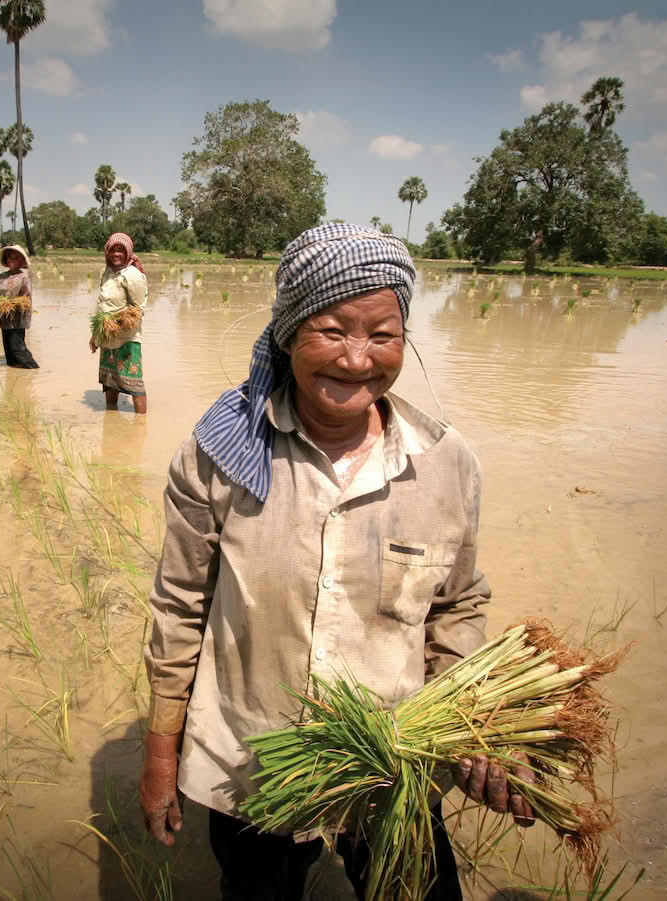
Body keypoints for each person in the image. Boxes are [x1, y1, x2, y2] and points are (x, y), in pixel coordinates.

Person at [139, 224, 533, 901]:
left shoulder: (445, 463)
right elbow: (179, 606)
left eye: (382, 336)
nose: (357, 360)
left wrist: (474, 727)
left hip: (393, 763)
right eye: (331, 331)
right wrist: (160, 753)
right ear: (289, 332)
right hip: (252, 763)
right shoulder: (219, 456)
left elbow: (458, 605)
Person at [90, 232, 148, 414]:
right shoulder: (106, 272)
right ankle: (111, 420)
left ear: (128, 252)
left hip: (126, 338)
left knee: (134, 383)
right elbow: (101, 305)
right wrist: (96, 334)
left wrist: (117, 324)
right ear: (107, 252)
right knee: (110, 381)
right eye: (113, 250)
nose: (116, 254)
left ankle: (141, 423)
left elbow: (138, 309)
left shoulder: (133, 275)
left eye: (121, 251)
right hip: (107, 336)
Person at [0, 244, 38, 369]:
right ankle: (15, 376)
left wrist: (11, 304)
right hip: (4, 317)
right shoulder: (2, 277)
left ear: (21, 261)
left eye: (15, 258)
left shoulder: (24, 277)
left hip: (17, 318)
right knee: (9, 352)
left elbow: (26, 298)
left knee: (17, 348)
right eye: (9, 258)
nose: (12, 261)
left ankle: (33, 369)